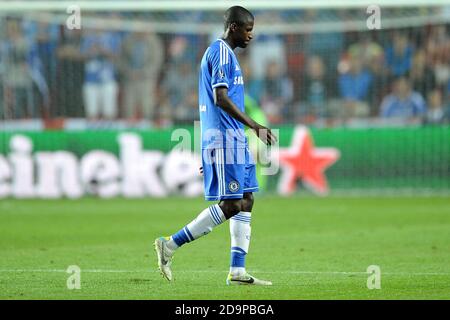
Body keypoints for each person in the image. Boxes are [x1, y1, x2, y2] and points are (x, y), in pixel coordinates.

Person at [154, 6, 277, 285]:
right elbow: (220, 98)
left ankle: (237, 270)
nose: (251, 35)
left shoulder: (228, 55)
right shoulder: (220, 52)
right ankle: (169, 245)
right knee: (232, 204)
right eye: (247, 29)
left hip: (232, 138)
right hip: (224, 137)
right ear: (233, 27)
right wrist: (255, 126)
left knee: (246, 199)